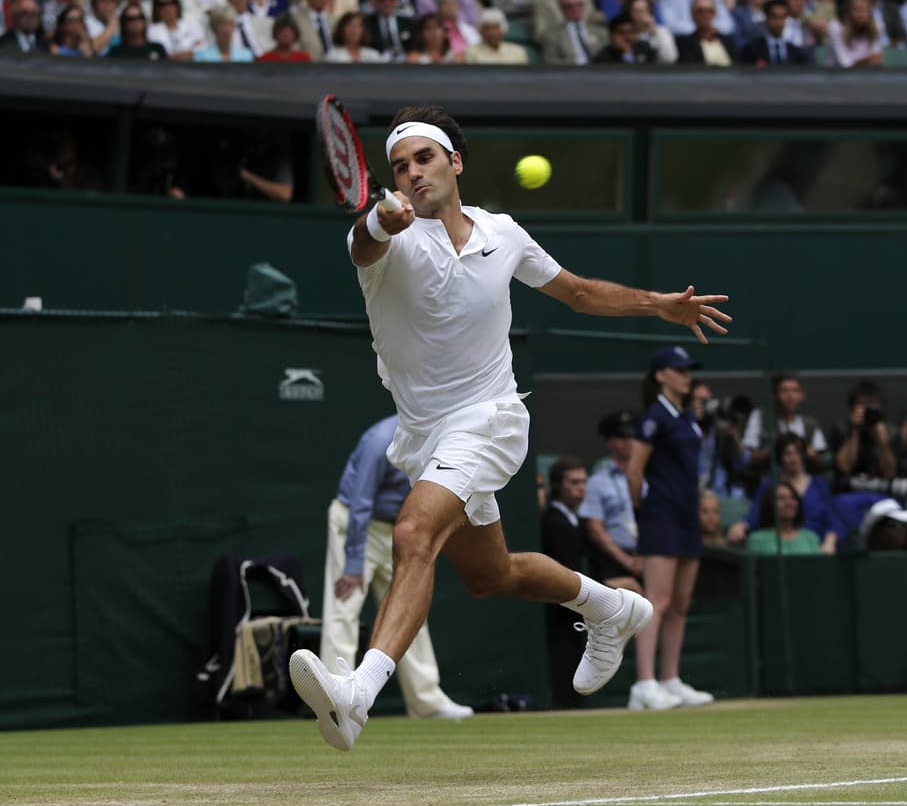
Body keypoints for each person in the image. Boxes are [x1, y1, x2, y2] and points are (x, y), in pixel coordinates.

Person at [288, 105, 730, 751]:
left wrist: (658, 303)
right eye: (400, 166)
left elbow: (577, 292)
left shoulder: (503, 233)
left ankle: (357, 692)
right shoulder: (388, 238)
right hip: (425, 436)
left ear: (455, 162)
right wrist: (378, 220)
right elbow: (364, 241)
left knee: (413, 531)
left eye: (425, 159)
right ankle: (608, 607)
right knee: (490, 575)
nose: (412, 174)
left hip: (491, 420)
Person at [320, 415, 473, 722]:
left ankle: (426, 701)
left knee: (409, 610)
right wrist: (353, 564)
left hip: (399, 528)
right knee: (344, 608)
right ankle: (334, 702)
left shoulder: (441, 438)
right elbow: (360, 502)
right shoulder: (380, 440)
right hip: (356, 525)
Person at [626, 346, 719, 711]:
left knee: (680, 603)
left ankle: (670, 679)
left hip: (687, 517)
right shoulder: (653, 417)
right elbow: (635, 471)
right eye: (678, 370)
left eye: (688, 370)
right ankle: (644, 684)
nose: (686, 375)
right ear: (660, 375)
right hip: (660, 515)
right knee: (658, 601)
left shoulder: (687, 418)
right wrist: (643, 510)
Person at [540, 456, 591, 709]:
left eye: (583, 482)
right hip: (561, 608)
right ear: (558, 486)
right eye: (574, 482)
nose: (581, 488)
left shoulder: (573, 520)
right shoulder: (554, 521)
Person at [728, 434, 837, 551]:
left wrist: (830, 540)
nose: (793, 458)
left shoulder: (819, 485)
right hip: (780, 547)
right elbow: (756, 514)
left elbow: (833, 518)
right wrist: (742, 525)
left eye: (797, 452)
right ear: (780, 457)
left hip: (815, 546)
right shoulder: (770, 485)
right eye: (787, 453)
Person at [581, 412, 645, 593]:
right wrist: (627, 560)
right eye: (621, 437)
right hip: (613, 560)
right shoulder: (597, 481)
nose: (629, 441)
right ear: (609, 441)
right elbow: (595, 529)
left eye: (633, 436)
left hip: (650, 555)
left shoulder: (650, 478)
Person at [831, 380, 898, 496]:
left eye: (872, 404)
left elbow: (890, 472)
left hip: (882, 492)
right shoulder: (841, 429)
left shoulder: (891, 432)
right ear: (853, 408)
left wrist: (882, 442)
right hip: (849, 492)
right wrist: (854, 430)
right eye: (862, 405)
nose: (867, 410)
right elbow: (845, 467)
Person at [745, 481, 824, 555]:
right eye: (781, 498)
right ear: (769, 504)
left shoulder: (810, 537)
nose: (789, 503)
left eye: (793, 498)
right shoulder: (757, 540)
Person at [738, 0, 811, 64]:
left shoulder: (795, 52)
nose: (779, 23)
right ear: (767, 19)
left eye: (783, 17)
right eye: (774, 17)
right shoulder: (752, 50)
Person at [463, 7, 530, 63]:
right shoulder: (471, 52)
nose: (492, 33)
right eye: (487, 28)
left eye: (495, 28)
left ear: (502, 30)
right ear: (481, 31)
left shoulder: (518, 52)